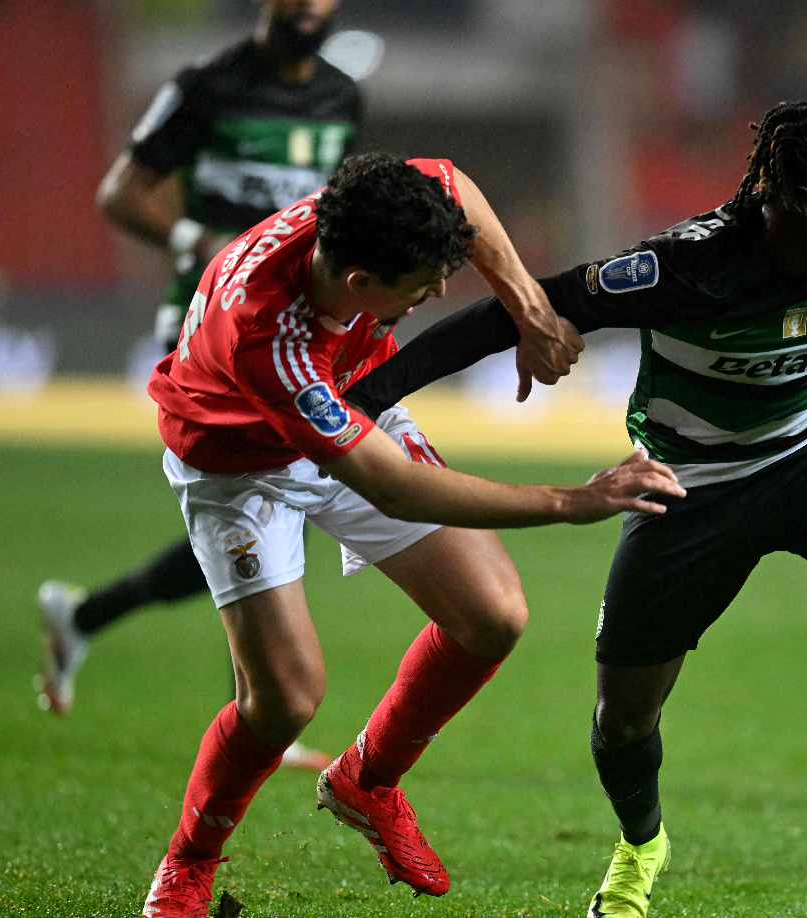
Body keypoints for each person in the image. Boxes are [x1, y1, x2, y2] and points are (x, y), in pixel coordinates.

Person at [346, 101, 807, 918]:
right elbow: (523, 307)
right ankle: (641, 845)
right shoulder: (686, 268)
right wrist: (369, 396)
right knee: (624, 719)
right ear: (795, 203)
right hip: (693, 481)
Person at [35, 0, 575, 773]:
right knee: (259, 492)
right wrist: (198, 240)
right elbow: (120, 190)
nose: (309, 7)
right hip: (230, 330)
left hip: (332, 310)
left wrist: (522, 301)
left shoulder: (337, 95)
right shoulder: (204, 87)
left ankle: (119, 629)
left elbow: (404, 196)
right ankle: (262, 704)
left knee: (290, 514)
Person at [137, 151, 675, 918]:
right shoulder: (266, 335)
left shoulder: (364, 214)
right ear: (360, 286)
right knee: (285, 700)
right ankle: (188, 864)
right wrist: (572, 500)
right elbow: (390, 483)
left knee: (492, 614)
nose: (437, 295)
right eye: (422, 287)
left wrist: (528, 306)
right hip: (236, 464)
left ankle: (368, 779)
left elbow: (454, 181)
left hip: (351, 405)